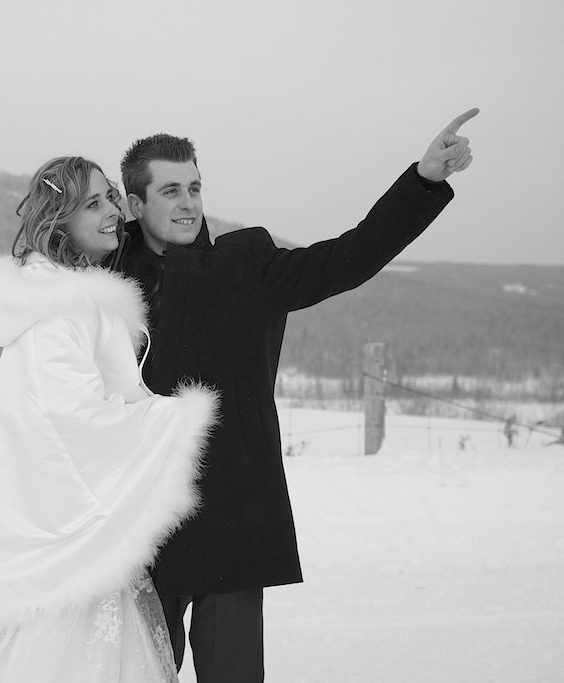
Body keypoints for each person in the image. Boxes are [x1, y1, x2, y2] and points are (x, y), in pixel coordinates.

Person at [114, 109, 480, 681]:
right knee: (130, 673)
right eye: (169, 191)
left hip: (230, 517)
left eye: (194, 187)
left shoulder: (245, 265)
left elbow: (349, 257)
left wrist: (423, 181)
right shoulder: (106, 283)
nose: (188, 202)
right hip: (138, 525)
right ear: (136, 205)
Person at [0, 156, 219, 682]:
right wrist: (173, 419)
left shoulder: (62, 291)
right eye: (93, 204)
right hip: (50, 524)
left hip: (40, 505)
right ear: (58, 218)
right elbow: (70, 418)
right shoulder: (64, 305)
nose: (112, 211)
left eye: (111, 197)